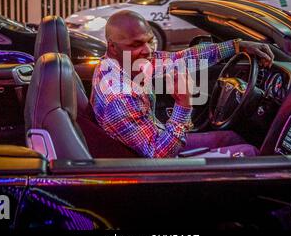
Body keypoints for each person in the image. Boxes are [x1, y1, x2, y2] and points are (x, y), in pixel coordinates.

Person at [90, 10, 274, 159]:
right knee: (251, 154)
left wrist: (237, 46)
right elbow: (160, 156)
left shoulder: (119, 63)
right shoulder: (120, 97)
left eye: (149, 41)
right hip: (159, 169)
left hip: (156, 140)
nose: (148, 51)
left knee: (231, 138)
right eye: (136, 44)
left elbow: (182, 58)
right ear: (112, 46)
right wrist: (183, 105)